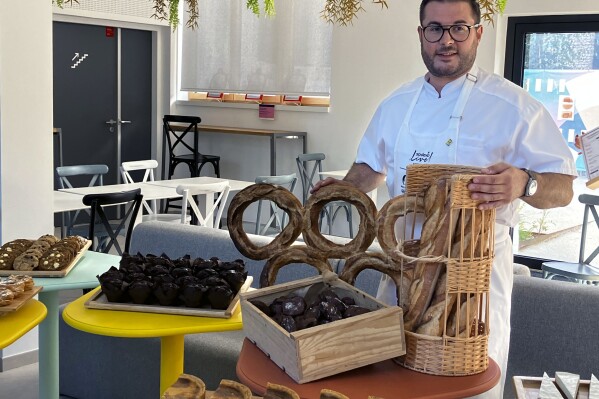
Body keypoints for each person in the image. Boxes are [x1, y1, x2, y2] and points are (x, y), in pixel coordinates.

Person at [312, 0, 577, 397]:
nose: (447, 40)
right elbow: (371, 167)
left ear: (478, 33)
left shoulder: (515, 107)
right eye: (435, 29)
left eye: (459, 29)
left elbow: (564, 188)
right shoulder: (396, 105)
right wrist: (345, 187)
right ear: (421, 34)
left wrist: (525, 183)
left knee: (467, 389)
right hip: (401, 270)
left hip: (474, 281)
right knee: (390, 383)